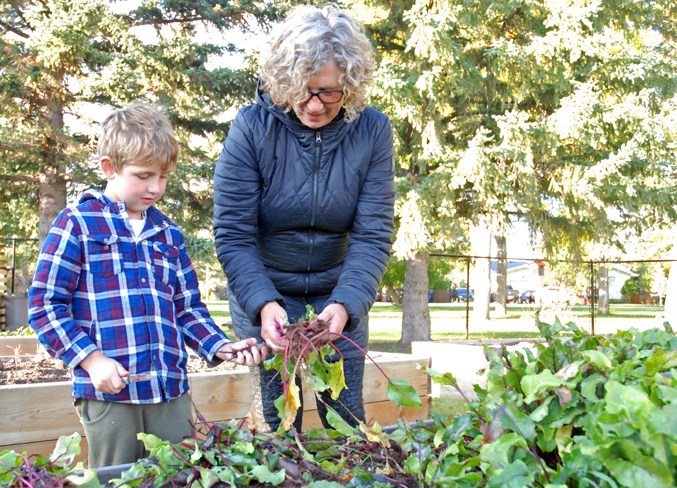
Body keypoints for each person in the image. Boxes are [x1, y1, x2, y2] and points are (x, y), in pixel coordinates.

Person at [28, 104, 267, 468]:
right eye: (143, 176)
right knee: (117, 477)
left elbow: (187, 309)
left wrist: (222, 347)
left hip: (169, 390)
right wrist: (92, 361)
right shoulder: (77, 224)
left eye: (164, 177)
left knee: (177, 474)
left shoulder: (167, 234)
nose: (155, 187)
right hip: (110, 394)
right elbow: (45, 306)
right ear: (109, 167)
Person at [213, 4, 395, 432]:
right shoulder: (251, 127)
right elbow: (234, 234)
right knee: (280, 432)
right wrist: (263, 303)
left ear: (350, 85)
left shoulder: (372, 131)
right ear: (283, 82)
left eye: (329, 92)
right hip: (267, 295)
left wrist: (347, 304)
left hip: (337, 296)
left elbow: (373, 235)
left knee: (346, 423)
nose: (314, 105)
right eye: (303, 90)